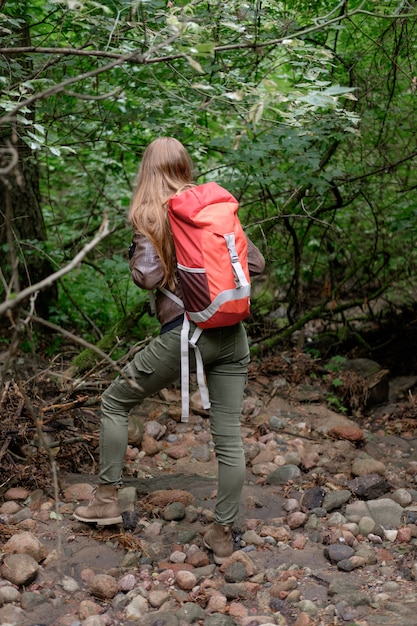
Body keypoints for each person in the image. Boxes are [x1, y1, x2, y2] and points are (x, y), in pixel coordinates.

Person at [74, 137, 265, 564]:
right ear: (184, 165)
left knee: (114, 401)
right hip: (232, 335)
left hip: (184, 335)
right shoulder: (212, 208)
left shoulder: (151, 214)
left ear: (147, 170)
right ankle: (221, 533)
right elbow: (255, 265)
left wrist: (144, 246)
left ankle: (105, 499)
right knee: (229, 438)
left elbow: (146, 275)